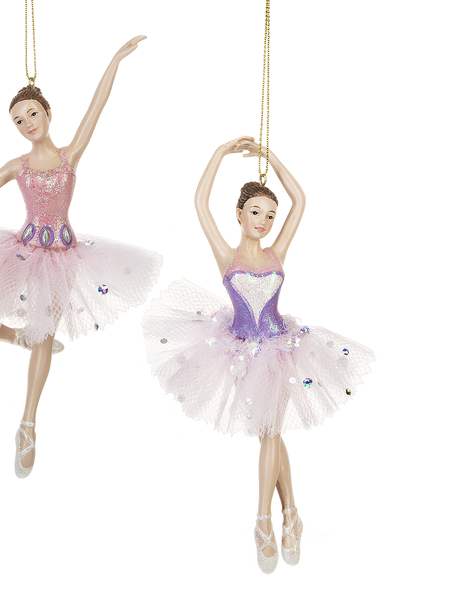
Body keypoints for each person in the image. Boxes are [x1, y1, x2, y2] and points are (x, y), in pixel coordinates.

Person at [0, 36, 162, 479]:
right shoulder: (17, 167)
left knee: (45, 332)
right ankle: (17, 339)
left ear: (47, 113)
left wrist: (115, 60)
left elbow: (97, 107)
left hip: (61, 256)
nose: (27, 123)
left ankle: (27, 425)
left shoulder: (69, 155)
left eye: (32, 114)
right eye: (18, 120)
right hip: (21, 251)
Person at [142, 136, 374, 573]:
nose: (264, 221)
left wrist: (271, 156)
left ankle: (263, 521)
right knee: (271, 431)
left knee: (270, 432)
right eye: (255, 212)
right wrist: (219, 153)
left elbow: (299, 200)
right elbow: (199, 202)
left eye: (270, 215)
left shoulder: (276, 252)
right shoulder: (226, 255)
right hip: (239, 351)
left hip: (281, 347)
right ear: (239, 214)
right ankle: (293, 515)